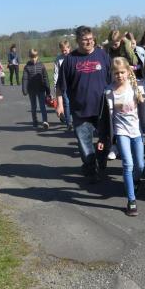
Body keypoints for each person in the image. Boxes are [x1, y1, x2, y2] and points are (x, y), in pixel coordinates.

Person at [56, 25, 112, 183]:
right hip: (80, 110)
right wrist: (59, 105)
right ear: (78, 41)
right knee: (84, 144)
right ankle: (89, 168)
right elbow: (60, 86)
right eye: (84, 40)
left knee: (105, 141)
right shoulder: (69, 60)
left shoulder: (102, 55)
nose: (89, 42)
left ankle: (101, 162)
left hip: (103, 109)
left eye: (90, 39)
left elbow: (113, 79)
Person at [96, 57, 145, 216]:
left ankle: (135, 180)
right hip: (121, 132)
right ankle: (131, 200)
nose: (119, 75)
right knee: (128, 163)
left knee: (140, 165)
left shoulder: (138, 87)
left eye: (122, 72)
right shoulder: (109, 91)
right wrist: (102, 138)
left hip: (136, 132)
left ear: (128, 71)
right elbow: (104, 118)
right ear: (112, 74)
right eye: (116, 73)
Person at [22, 48, 51, 130]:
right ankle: (35, 121)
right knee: (33, 106)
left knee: (42, 106)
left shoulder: (41, 65)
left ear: (37, 56)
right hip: (31, 90)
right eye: (31, 57)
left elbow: (45, 78)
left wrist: (48, 90)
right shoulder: (27, 67)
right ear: (29, 57)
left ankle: (45, 121)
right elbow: (25, 79)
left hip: (41, 89)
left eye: (35, 57)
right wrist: (24, 89)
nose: (33, 59)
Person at [53, 40, 73, 131]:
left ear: (69, 48)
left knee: (74, 103)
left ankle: (76, 120)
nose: (64, 52)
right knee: (66, 103)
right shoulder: (58, 59)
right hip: (63, 84)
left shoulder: (73, 57)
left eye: (65, 50)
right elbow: (56, 73)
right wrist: (56, 84)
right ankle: (69, 123)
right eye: (62, 51)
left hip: (73, 84)